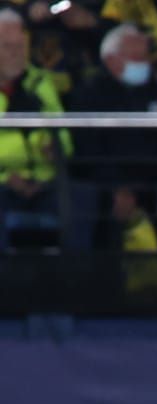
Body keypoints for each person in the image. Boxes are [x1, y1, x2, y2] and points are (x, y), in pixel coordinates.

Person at [70, 23, 157, 249]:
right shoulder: (89, 94)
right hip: (107, 184)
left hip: (155, 182)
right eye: (136, 58)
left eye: (145, 58)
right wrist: (117, 188)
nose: (143, 65)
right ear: (110, 60)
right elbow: (89, 151)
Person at [0, 9, 72, 250]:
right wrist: (8, 178)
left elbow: (65, 137)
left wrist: (56, 148)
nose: (16, 54)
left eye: (21, 47)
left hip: (43, 182)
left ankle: (68, 280)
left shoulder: (40, 82)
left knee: (78, 199)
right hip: (4, 182)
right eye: (7, 47)